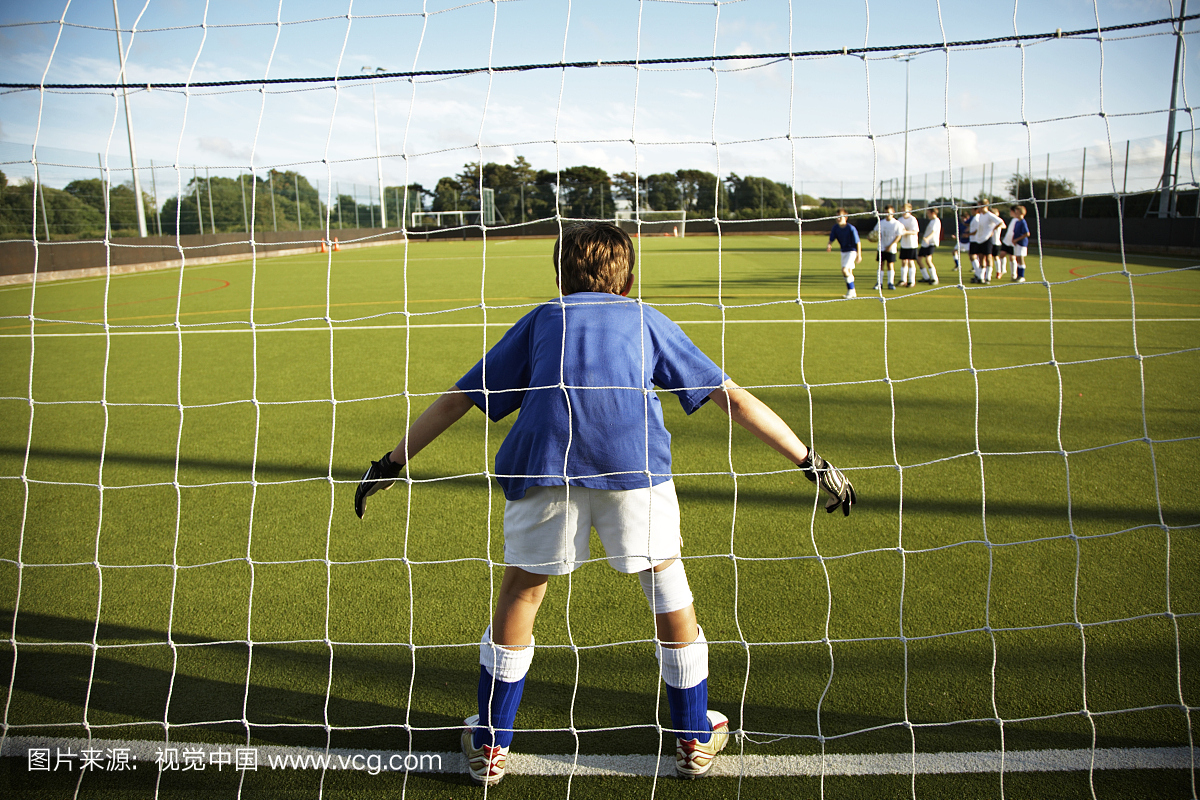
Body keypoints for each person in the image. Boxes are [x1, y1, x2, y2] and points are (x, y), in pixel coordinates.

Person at [354, 222, 857, 786]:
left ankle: (491, 744)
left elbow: (459, 401)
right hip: (635, 472)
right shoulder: (645, 319)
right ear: (630, 276)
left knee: (523, 589)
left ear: (560, 274)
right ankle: (693, 734)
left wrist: (392, 462)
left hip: (543, 470)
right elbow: (731, 400)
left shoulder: (545, 319)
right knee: (666, 585)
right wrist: (810, 462)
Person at [827, 208, 863, 299]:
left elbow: (858, 242)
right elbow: (832, 238)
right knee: (848, 272)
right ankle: (852, 292)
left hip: (851, 251)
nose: (838, 219)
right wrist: (829, 245)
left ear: (846, 217)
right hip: (843, 251)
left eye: (840, 217)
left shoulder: (851, 228)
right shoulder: (835, 228)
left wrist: (859, 255)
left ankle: (851, 290)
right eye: (837, 217)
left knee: (844, 270)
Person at [870, 205, 905, 291]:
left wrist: (891, 245)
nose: (887, 214)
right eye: (886, 212)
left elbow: (899, 236)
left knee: (890, 265)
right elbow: (875, 233)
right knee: (880, 265)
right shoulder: (881, 222)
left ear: (893, 213)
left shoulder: (897, 223)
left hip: (891, 248)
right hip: (881, 248)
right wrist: (871, 238)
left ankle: (890, 283)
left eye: (889, 212)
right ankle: (879, 283)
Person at [968, 204, 1004, 284]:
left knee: (992, 257)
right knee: (981, 258)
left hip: (993, 242)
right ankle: (980, 276)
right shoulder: (981, 216)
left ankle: (992, 275)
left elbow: (1002, 224)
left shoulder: (990, 218)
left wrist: (992, 229)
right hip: (981, 240)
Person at [895, 203, 921, 287]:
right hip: (904, 244)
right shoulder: (900, 219)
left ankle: (912, 281)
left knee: (911, 261)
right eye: (902, 210)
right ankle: (903, 280)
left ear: (909, 210)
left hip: (911, 244)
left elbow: (915, 231)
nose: (903, 212)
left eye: (905, 210)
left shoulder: (912, 219)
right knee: (903, 261)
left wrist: (906, 232)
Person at [917, 208, 941, 285]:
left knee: (928, 260)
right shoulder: (932, 221)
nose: (928, 215)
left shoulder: (936, 221)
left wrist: (927, 238)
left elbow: (934, 232)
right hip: (925, 244)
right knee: (919, 259)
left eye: (928, 213)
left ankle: (934, 279)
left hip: (931, 243)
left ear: (933, 213)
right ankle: (926, 277)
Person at [1008, 204, 1030, 282]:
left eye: (1017, 212)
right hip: (1016, 243)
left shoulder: (1023, 222)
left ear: (1021, 213)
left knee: (1021, 259)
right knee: (1017, 259)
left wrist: (1017, 240)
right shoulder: (1017, 222)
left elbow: (1027, 233)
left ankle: (1022, 276)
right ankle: (1018, 275)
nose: (1016, 214)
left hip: (1021, 243)